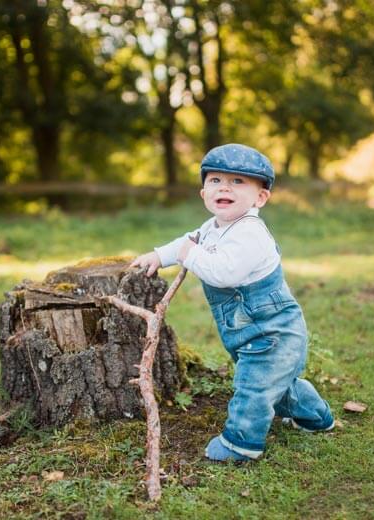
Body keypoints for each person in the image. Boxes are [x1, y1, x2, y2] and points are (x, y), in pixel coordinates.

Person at [131, 143, 334, 461]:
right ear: (203, 194)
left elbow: (223, 273)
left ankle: (241, 443)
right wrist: (160, 255)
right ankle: (316, 416)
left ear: (260, 197)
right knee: (278, 385)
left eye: (238, 181)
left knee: (254, 387)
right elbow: (186, 242)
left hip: (274, 334)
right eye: (215, 181)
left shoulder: (251, 232)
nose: (224, 186)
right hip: (250, 334)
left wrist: (190, 254)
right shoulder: (212, 228)